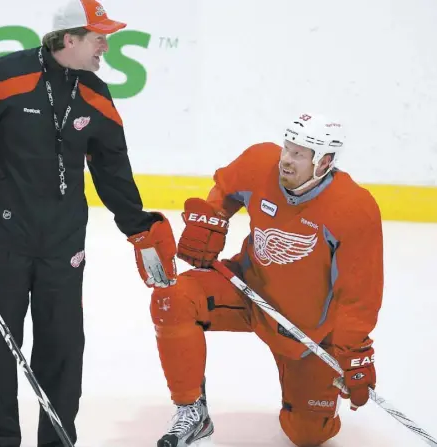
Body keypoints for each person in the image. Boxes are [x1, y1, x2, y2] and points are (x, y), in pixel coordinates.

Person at [0, 1, 177, 446]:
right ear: (69, 39)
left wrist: (138, 227)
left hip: (64, 243)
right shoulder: (3, 76)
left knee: (63, 349)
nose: (107, 43)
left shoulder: (96, 92)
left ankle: (58, 439)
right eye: (98, 35)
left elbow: (112, 169)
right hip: (0, 239)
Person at [151, 113, 384, 447]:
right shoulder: (261, 161)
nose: (285, 160)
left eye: (299, 154)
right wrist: (214, 216)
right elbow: (225, 188)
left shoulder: (354, 208)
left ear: (325, 162)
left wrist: (353, 351)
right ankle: (191, 411)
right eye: (287, 148)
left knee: (307, 435)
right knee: (173, 296)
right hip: (248, 289)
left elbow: (359, 296)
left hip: (308, 334)